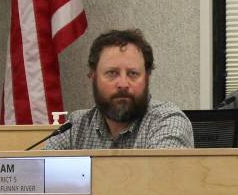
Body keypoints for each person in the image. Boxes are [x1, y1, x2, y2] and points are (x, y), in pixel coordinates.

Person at [45, 29, 193, 149]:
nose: (123, 83)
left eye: (133, 74)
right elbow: (39, 177)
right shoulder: (75, 127)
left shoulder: (167, 122)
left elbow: (160, 182)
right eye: (112, 73)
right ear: (93, 76)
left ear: (147, 77)